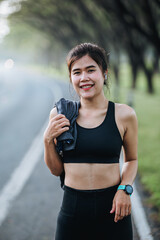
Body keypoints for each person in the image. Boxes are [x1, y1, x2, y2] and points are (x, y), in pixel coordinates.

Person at [43, 43, 138, 240]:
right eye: (77, 72)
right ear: (71, 78)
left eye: (90, 70)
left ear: (104, 73)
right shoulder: (61, 114)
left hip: (113, 209)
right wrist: (47, 140)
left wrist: (125, 189)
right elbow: (56, 170)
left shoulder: (124, 114)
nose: (84, 78)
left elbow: (131, 160)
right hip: (73, 210)